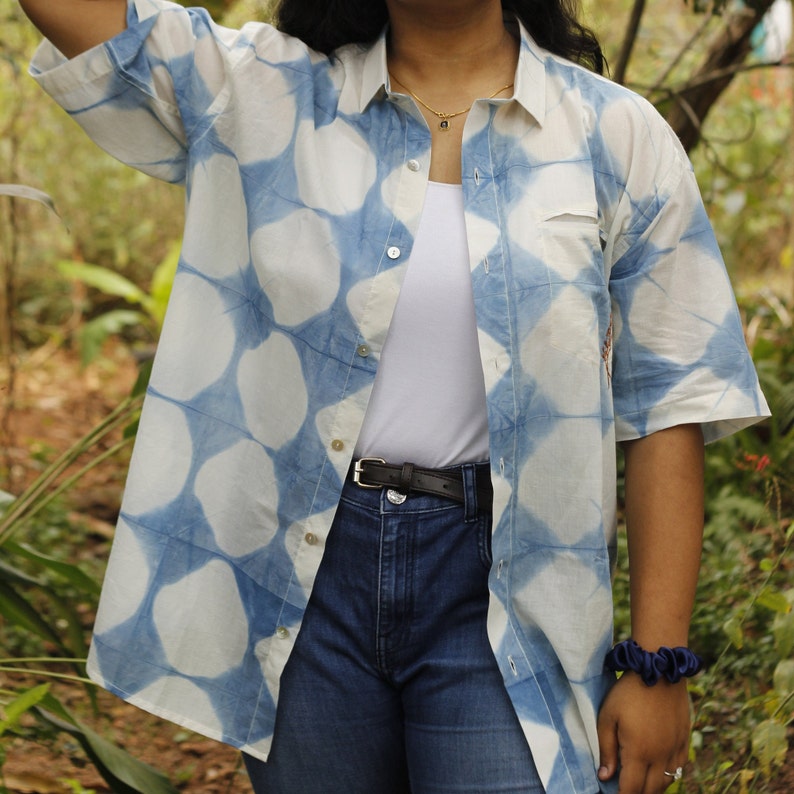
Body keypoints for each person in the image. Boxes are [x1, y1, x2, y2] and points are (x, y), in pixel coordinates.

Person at [19, 1, 769, 792]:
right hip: (303, 578)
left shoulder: (616, 136)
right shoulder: (262, 93)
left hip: (507, 584)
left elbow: (669, 408)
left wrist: (658, 664)